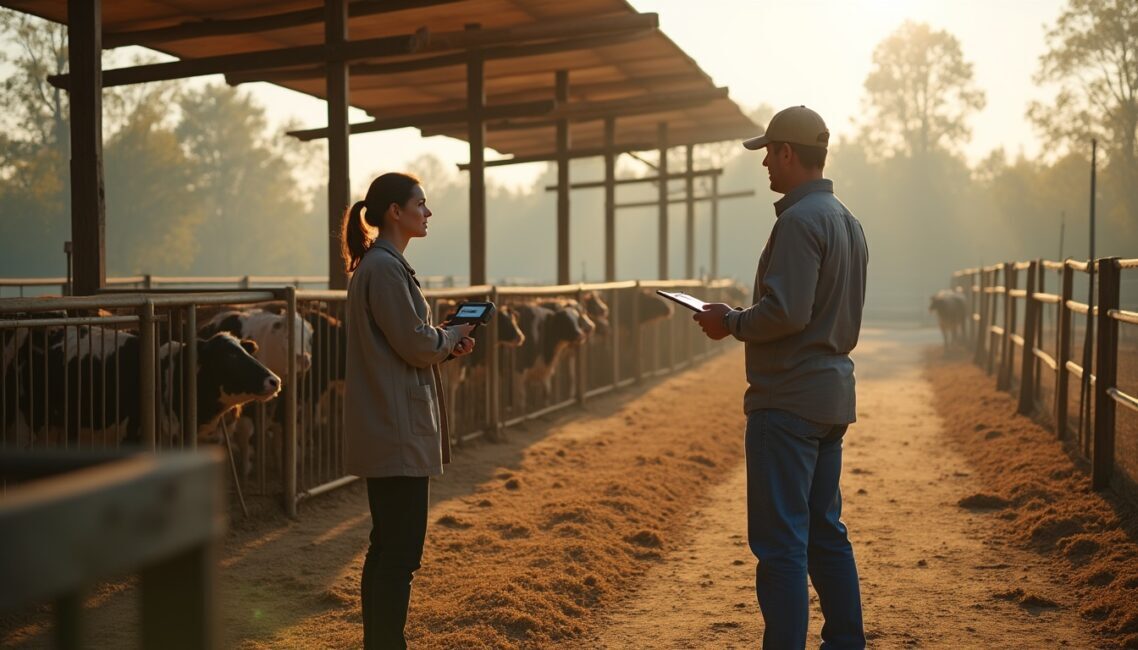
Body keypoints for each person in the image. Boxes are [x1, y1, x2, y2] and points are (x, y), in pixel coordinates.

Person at [693, 106, 868, 649]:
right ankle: (845, 641)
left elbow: (787, 312)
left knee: (781, 544)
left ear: (789, 153)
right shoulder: (846, 219)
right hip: (831, 395)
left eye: (769, 152)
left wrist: (731, 322)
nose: (766, 163)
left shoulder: (797, 221)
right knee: (825, 533)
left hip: (788, 398)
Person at [341, 172, 477, 649]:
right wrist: (449, 337)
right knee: (399, 553)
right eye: (420, 203)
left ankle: (379, 642)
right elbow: (414, 343)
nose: (427, 212)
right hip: (395, 424)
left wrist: (441, 341)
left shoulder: (378, 266)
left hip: (389, 419)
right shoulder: (383, 267)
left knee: (385, 547)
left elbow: (412, 340)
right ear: (395, 212)